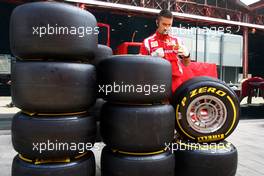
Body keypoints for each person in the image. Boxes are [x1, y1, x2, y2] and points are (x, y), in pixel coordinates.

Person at [140, 9, 191, 93]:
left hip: (176, 83)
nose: (166, 28)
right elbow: (141, 68)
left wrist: (187, 55)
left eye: (169, 25)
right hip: (156, 82)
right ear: (157, 23)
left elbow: (187, 64)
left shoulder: (177, 41)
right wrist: (152, 59)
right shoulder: (147, 42)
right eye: (164, 24)